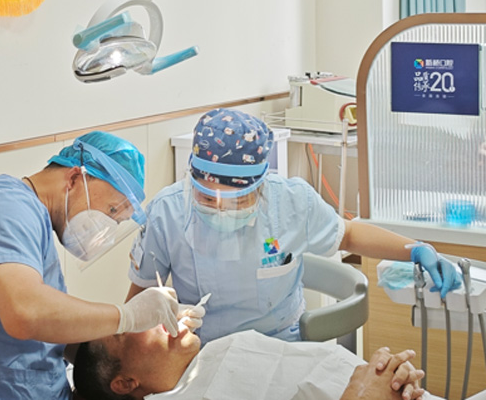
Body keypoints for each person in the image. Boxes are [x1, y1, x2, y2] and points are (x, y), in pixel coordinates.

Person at [0, 131, 201, 399]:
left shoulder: (36, 223)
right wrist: (127, 317)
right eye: (111, 210)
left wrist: (145, 328)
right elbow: (25, 314)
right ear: (74, 178)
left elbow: (51, 335)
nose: (108, 227)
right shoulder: (3, 206)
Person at [126, 108, 462, 345]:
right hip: (202, 350)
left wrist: (414, 250)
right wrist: (162, 320)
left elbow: (349, 235)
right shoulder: (166, 213)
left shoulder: (292, 202)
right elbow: (137, 303)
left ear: (260, 185)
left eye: (237, 200)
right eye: (207, 198)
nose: (221, 209)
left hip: (283, 345)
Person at [72, 325, 433, 400]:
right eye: (126, 331)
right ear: (125, 382)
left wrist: (391, 378)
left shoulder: (218, 351)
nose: (150, 318)